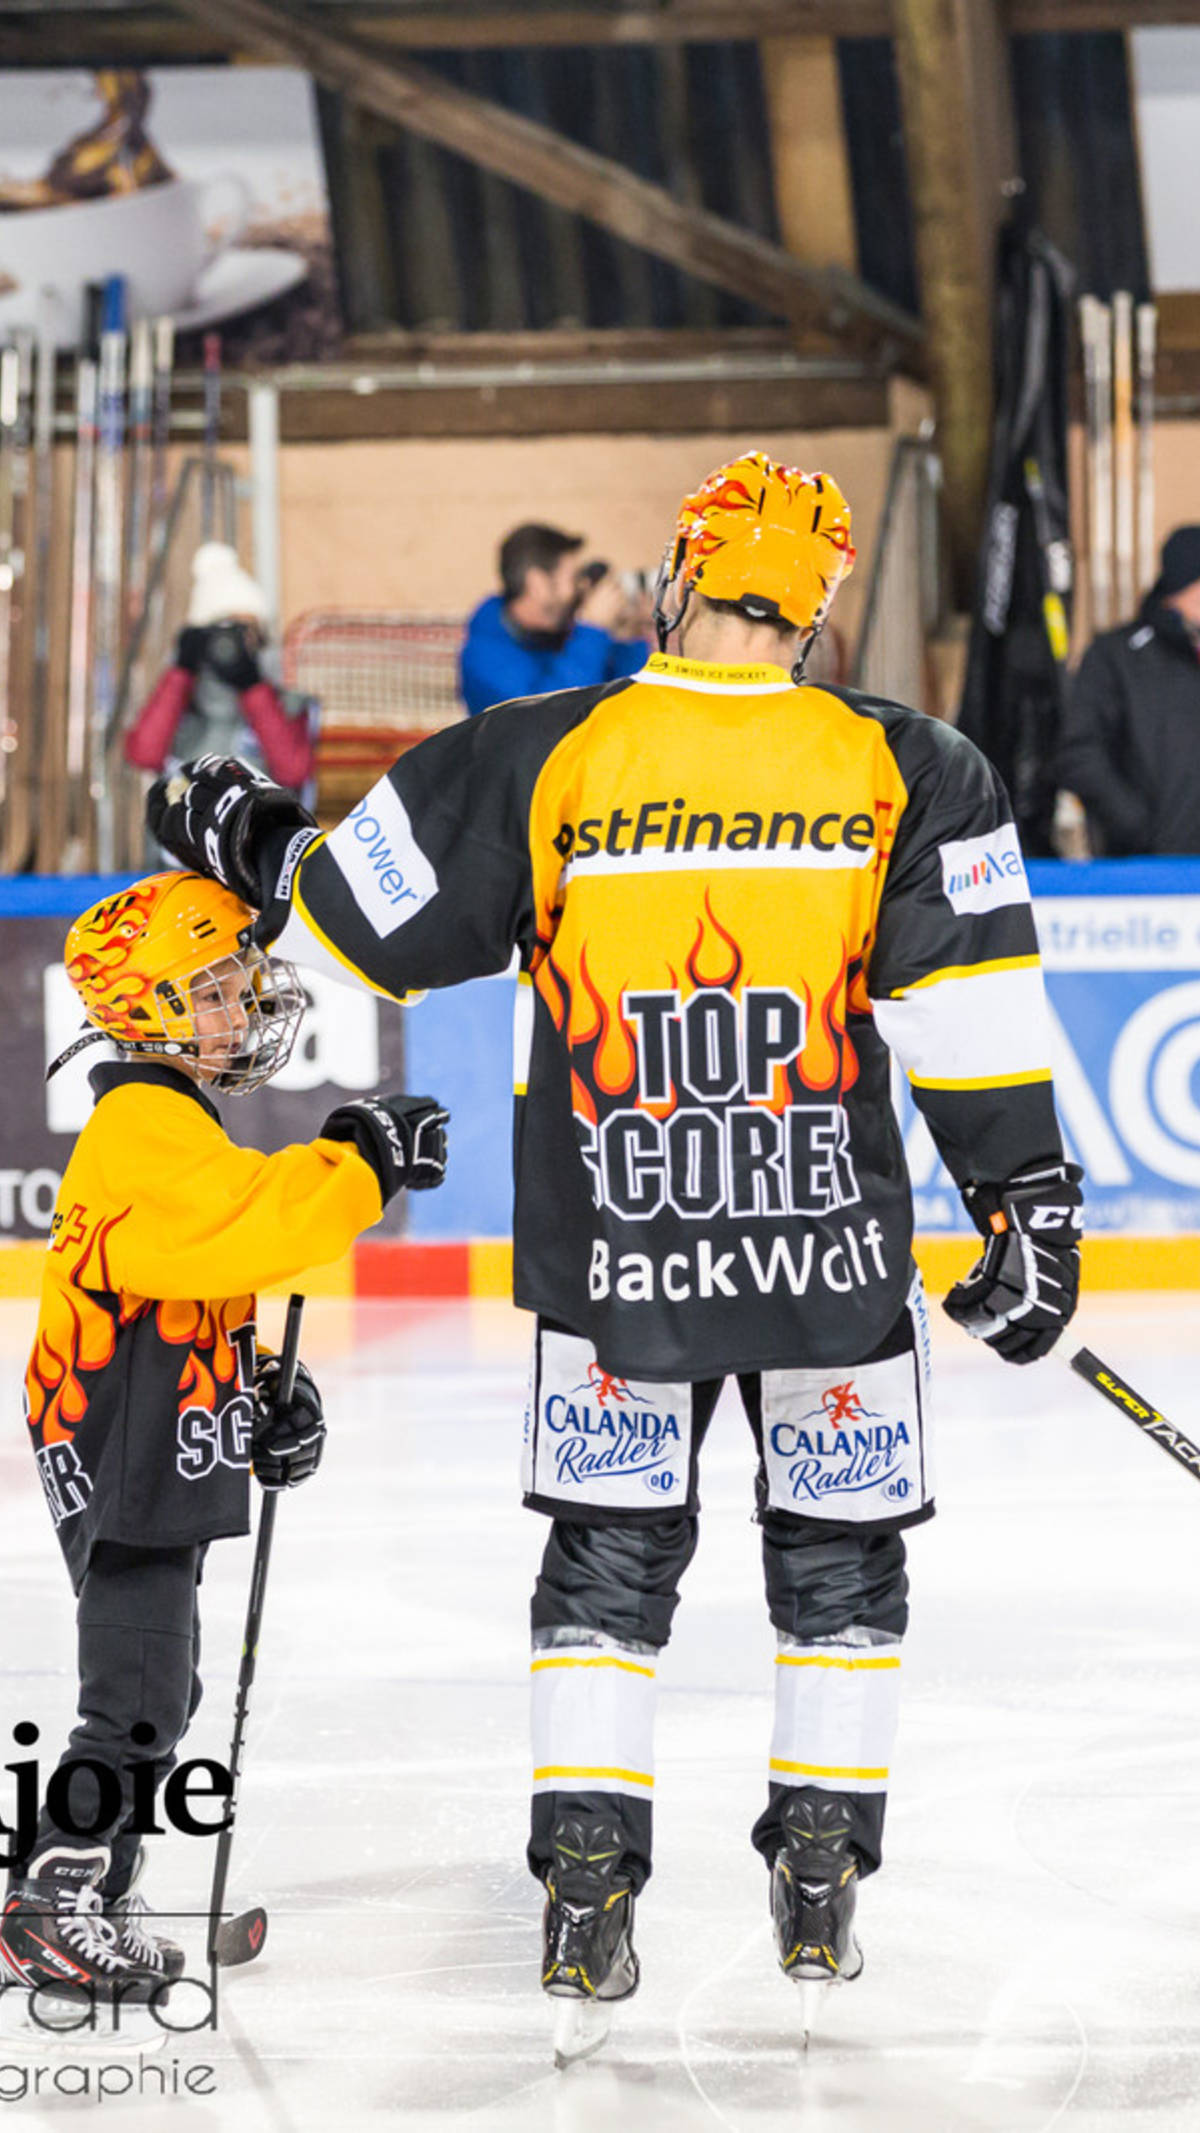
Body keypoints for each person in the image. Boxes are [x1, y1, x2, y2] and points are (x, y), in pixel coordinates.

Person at [146, 450, 1082, 2052]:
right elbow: (970, 1015)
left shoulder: (547, 750)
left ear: (678, 577)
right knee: (840, 1563)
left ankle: (587, 1886)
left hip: (615, 1244)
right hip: (824, 1254)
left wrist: (249, 837)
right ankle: (818, 1869)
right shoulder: (917, 764)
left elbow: (362, 920)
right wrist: (1030, 1204)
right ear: (820, 609)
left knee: (607, 1555)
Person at [0, 871, 447, 2004]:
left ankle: (92, 1892)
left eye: (236, 982)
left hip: (148, 1438)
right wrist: (362, 1162)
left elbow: (179, 1287)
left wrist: (252, 1396)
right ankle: (49, 1904)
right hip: (125, 1454)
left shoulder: (162, 1119)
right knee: (138, 1692)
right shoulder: (140, 1121)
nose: (239, 1007)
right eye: (209, 991)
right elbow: (248, 1226)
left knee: (164, 1685)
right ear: (144, 1009)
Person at [124, 542, 316, 798]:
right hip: (185, 830)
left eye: (244, 631)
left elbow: (293, 770)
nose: (231, 645)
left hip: (256, 829)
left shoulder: (284, 697)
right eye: (222, 629)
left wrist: (253, 687)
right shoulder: (184, 698)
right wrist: (182, 670)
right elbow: (144, 754)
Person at [1057, 524, 1200, 854]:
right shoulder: (1117, 658)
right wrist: (1136, 826)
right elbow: (1079, 754)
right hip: (1142, 876)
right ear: (1182, 587)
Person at [459, 521, 649, 718]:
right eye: (573, 578)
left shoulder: (563, 635)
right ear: (538, 584)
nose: (581, 587)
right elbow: (548, 718)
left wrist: (626, 639)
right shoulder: (484, 657)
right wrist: (592, 630)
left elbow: (627, 707)